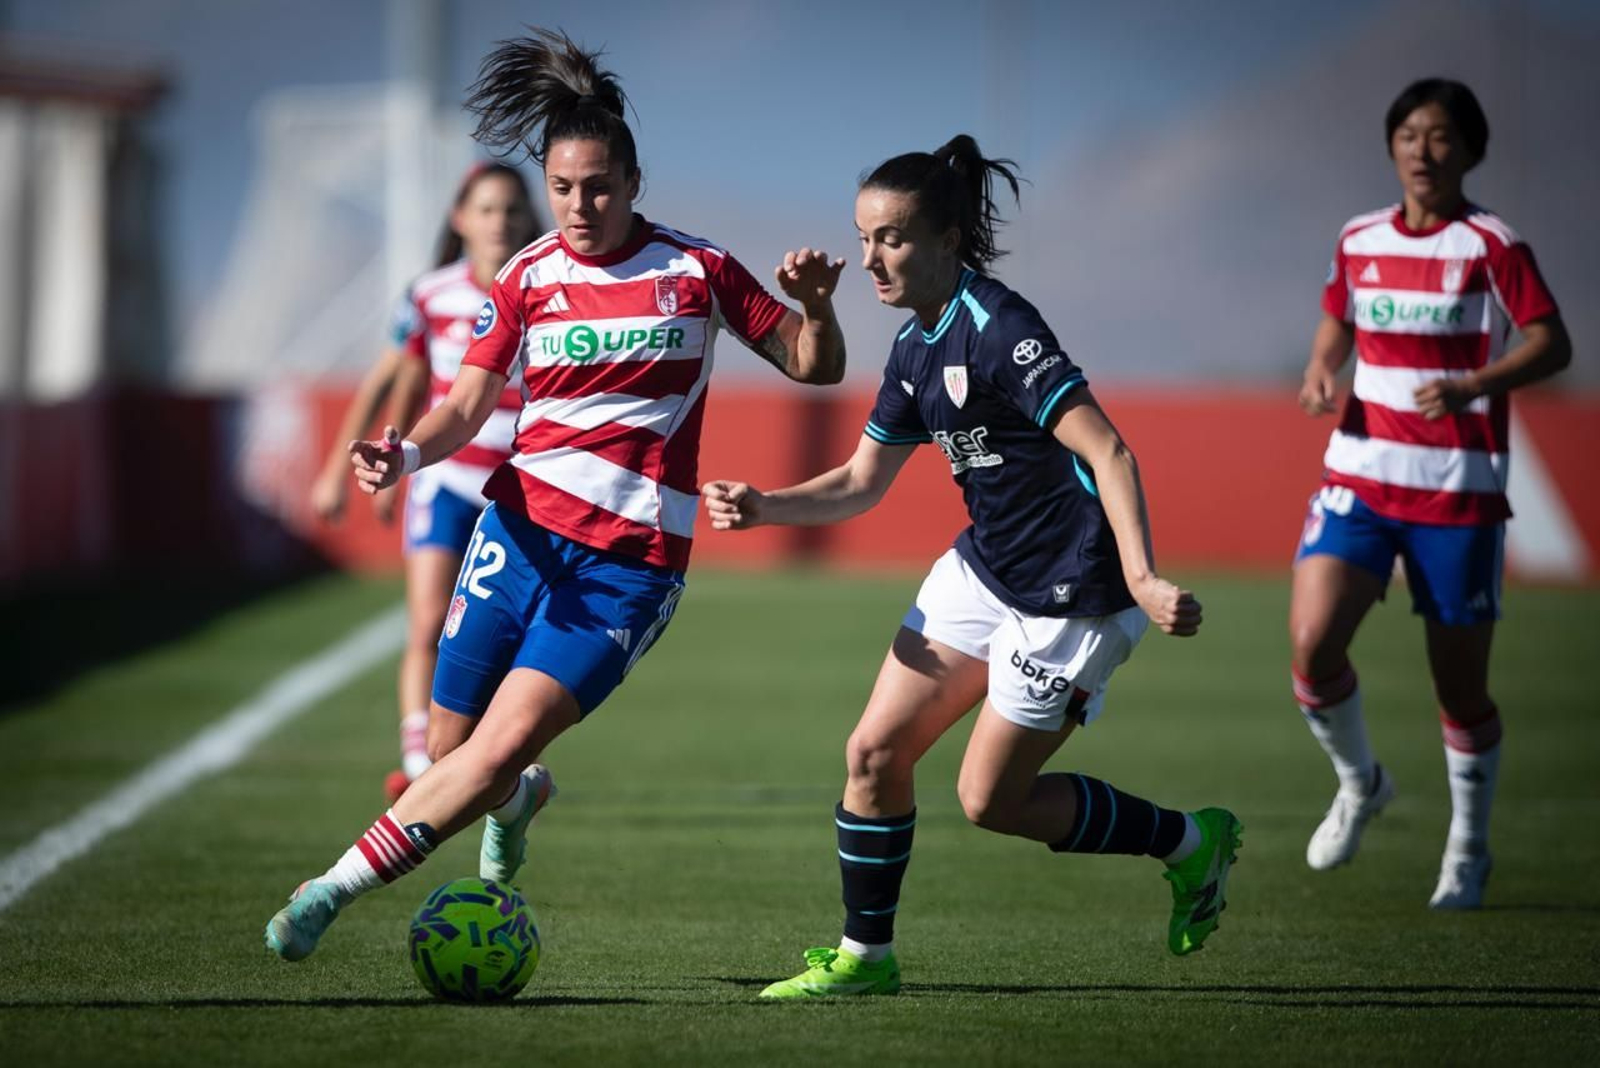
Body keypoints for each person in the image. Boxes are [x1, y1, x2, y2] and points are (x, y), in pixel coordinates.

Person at [265, 28, 847, 961]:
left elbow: (815, 367)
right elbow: (463, 404)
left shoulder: (695, 274)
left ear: (635, 179)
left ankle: (328, 889)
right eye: (565, 187)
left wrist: (815, 306)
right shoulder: (528, 277)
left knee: (493, 752)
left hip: (627, 569)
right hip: (518, 536)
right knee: (455, 759)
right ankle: (524, 798)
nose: (581, 206)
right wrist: (405, 456)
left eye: (601, 186)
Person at [703, 136, 1242, 999]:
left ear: (950, 240)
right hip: (986, 570)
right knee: (875, 753)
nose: (871, 258)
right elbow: (857, 482)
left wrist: (1142, 579)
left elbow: (1109, 453)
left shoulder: (1001, 330)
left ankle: (1190, 842)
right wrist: (767, 504)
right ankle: (864, 962)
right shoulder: (915, 348)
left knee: (991, 802)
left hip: (1075, 592)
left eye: (894, 238)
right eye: (865, 236)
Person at [1289, 78, 1570, 909]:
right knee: (1311, 644)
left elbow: (1553, 344)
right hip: (1362, 474)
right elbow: (1340, 312)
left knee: (1459, 690)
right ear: (1391, 146)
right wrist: (1320, 367)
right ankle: (1360, 782)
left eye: (1441, 135)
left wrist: (1474, 381)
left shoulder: (1492, 244)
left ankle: (1468, 848)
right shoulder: (1359, 235)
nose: (1422, 149)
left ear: (1470, 150)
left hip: (1458, 490)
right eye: (1409, 133)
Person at [309, 161, 541, 803]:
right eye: (487, 209)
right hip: (443, 481)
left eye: (512, 210)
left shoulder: (547, 287)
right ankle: (417, 762)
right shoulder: (429, 294)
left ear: (529, 219)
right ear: (460, 218)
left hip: (517, 490)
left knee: (498, 635)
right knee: (429, 620)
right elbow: (396, 378)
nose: (500, 222)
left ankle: (479, 758)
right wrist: (341, 469)